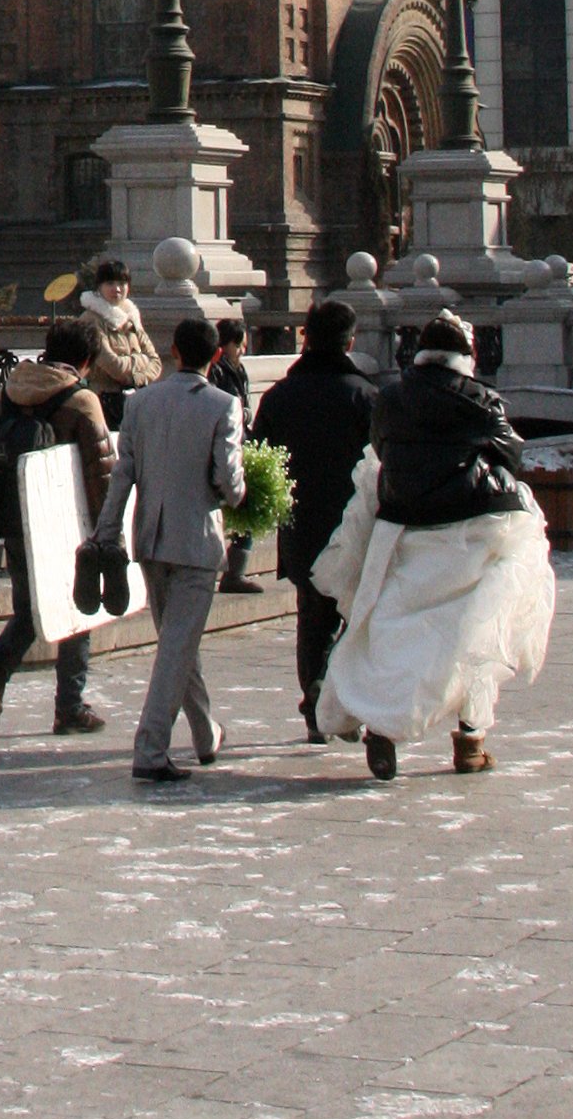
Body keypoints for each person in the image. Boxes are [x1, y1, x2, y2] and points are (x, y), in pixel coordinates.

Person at [313, 314, 556, 780]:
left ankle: (381, 726)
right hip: (477, 530)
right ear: (465, 357)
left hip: (406, 527)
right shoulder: (481, 400)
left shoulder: (391, 399)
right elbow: (512, 453)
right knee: (478, 631)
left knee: (390, 631)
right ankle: (470, 741)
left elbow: (380, 450)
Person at [93, 320, 244, 785]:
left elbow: (123, 474)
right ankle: (151, 747)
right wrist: (236, 496)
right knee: (178, 646)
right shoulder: (224, 405)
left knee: (180, 643)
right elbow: (230, 483)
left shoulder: (142, 402)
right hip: (197, 539)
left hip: (151, 539)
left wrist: (106, 532)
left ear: (173, 351)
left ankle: (204, 734)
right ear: (215, 357)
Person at [0, 320, 112, 739]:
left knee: (30, 612)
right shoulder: (81, 400)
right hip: (68, 524)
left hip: (16, 520)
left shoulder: (6, 395)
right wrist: (108, 533)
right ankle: (70, 706)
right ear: (86, 360)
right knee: (78, 609)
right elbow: (101, 472)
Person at [250, 298, 376, 742]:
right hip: (354, 524)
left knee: (311, 615)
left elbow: (257, 458)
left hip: (301, 521)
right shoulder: (364, 396)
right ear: (350, 340)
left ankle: (314, 698)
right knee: (358, 614)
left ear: (305, 337)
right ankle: (339, 696)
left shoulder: (280, 395)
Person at [78, 257, 160, 425]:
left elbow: (156, 362)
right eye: (110, 284)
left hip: (137, 400)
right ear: (98, 287)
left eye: (122, 283)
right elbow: (114, 366)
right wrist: (141, 360)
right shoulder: (91, 319)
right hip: (104, 403)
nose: (117, 289)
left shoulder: (131, 316)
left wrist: (137, 378)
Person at [208, 325, 256, 591]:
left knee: (246, 508)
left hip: (241, 441)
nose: (243, 350)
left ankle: (235, 572)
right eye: (239, 344)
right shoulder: (217, 371)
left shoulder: (239, 370)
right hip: (225, 446)